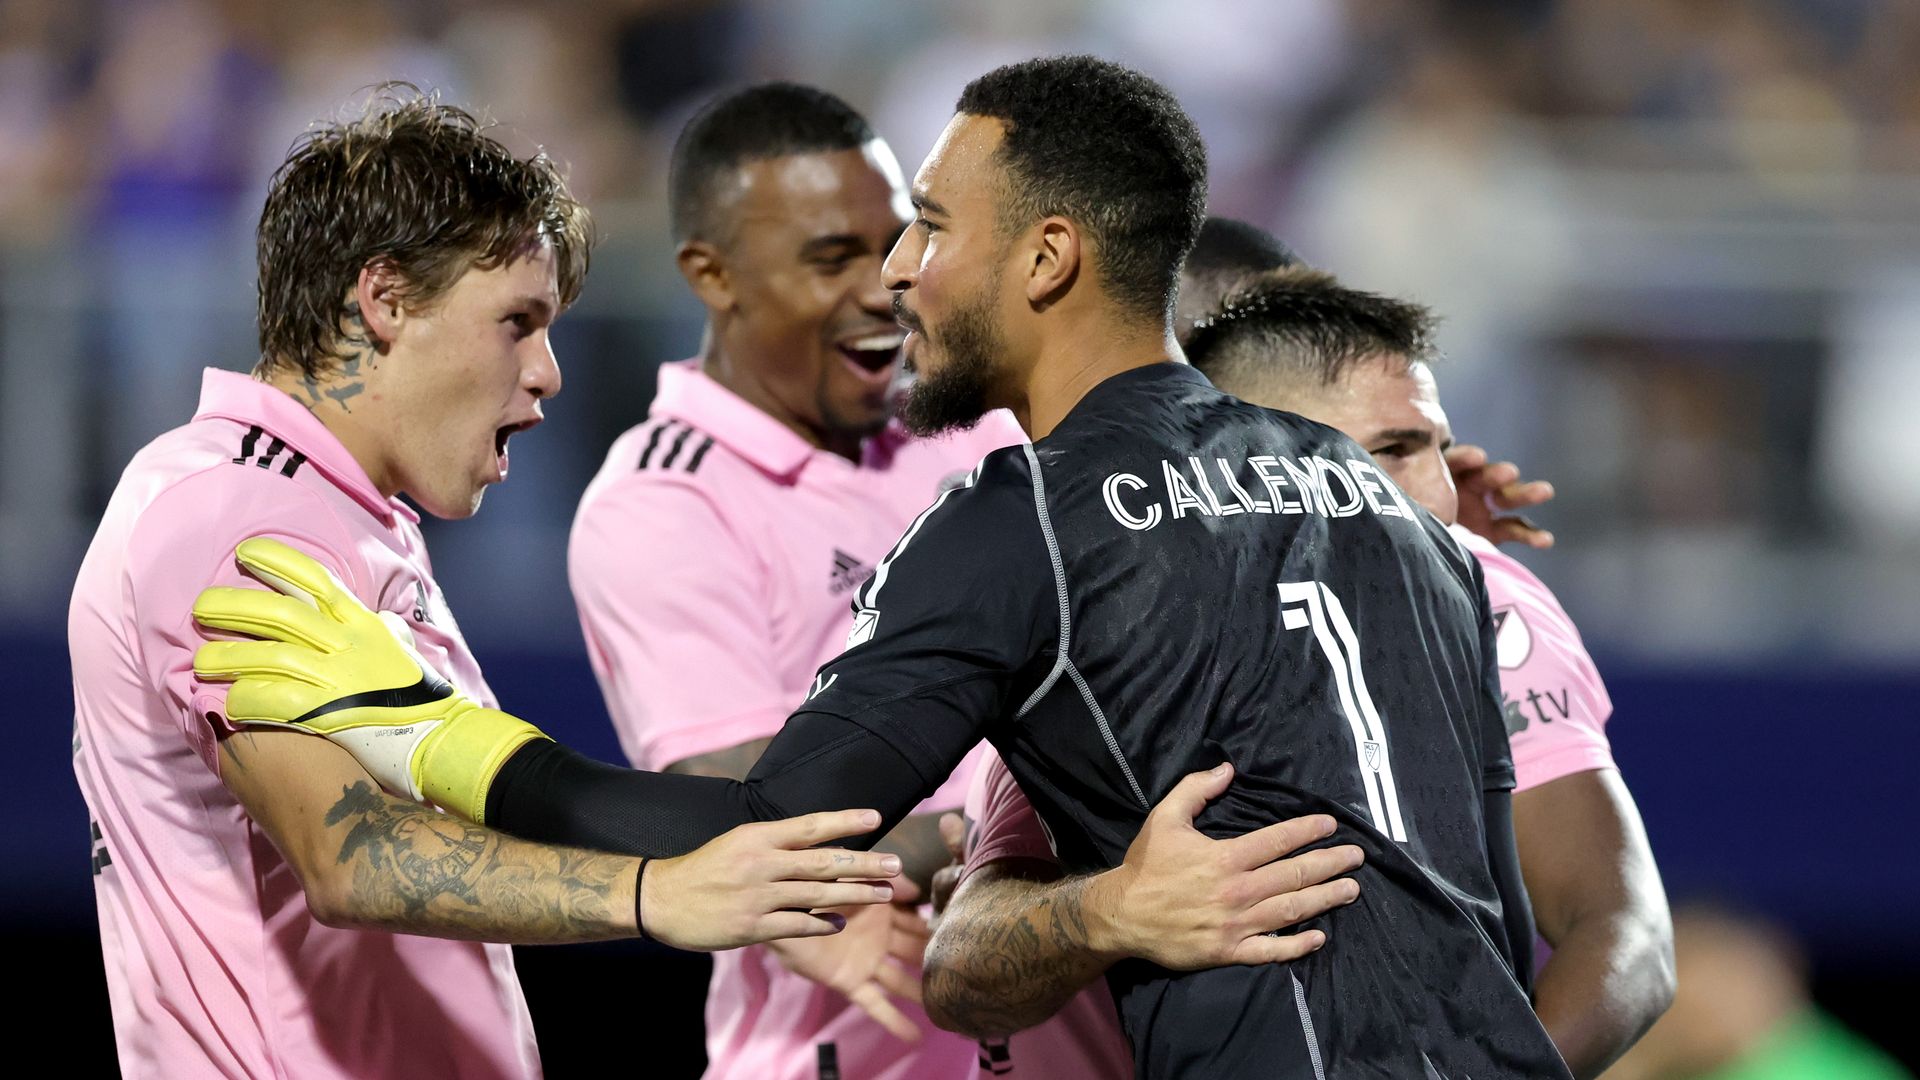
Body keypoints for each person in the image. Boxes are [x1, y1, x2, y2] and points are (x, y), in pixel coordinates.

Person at [189, 57, 1566, 1078]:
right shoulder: (1397, 513)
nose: (907, 270)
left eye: (930, 226)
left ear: (1046, 258)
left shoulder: (1018, 515)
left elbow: (772, 824)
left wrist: (418, 729)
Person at [71, 87, 901, 1080]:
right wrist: (655, 896)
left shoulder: (336, 513)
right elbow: (355, 855)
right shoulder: (236, 513)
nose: (548, 373)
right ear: (385, 300)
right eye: (517, 321)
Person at [929, 258, 1675, 1079]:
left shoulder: (1487, 600)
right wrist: (1107, 912)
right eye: (1385, 453)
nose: (1430, 493)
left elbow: (1628, 935)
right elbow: (962, 970)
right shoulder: (1102, 629)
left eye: (1437, 448)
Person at [568, 82, 1018, 1078]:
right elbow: (754, 822)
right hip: (850, 1051)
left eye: (898, 243)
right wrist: (1011, 820)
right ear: (711, 273)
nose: (886, 286)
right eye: (832, 258)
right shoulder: (660, 504)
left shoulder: (981, 428)